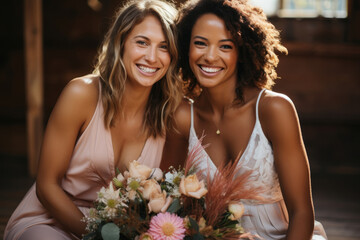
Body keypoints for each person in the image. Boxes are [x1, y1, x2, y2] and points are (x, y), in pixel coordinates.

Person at [5, 0, 181, 239]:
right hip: (53, 221)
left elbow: (168, 195)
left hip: (124, 233)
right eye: (142, 42)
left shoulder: (172, 114)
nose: (152, 57)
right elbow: (47, 186)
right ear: (121, 43)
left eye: (164, 47)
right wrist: (97, 235)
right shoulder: (81, 94)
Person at [161, 0, 327, 239]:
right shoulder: (182, 117)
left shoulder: (273, 109)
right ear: (186, 47)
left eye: (225, 46)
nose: (210, 56)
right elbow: (170, 204)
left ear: (242, 51)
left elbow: (302, 213)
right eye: (200, 43)